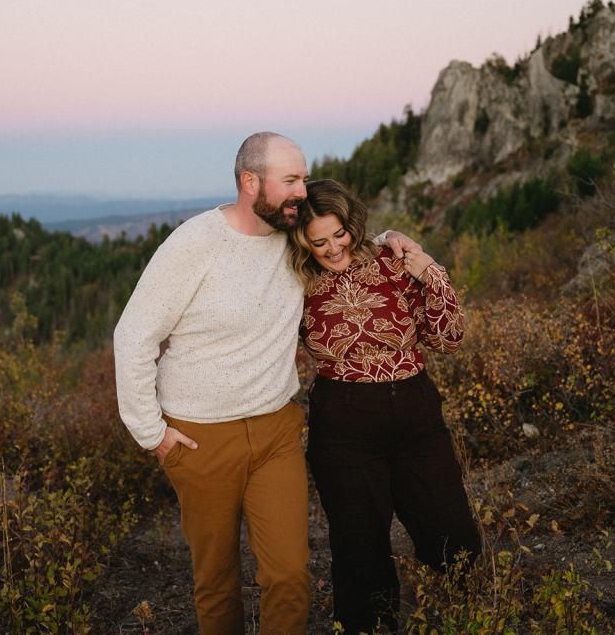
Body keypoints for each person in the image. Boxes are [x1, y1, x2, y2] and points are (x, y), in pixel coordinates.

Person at [114, 133, 414, 634]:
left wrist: (390, 240)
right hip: (199, 436)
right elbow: (133, 335)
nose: (302, 190)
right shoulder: (194, 243)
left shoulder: (292, 238)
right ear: (250, 182)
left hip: (276, 431)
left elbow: (338, 246)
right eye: (291, 180)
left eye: (303, 177)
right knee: (216, 580)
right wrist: (151, 433)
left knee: (290, 574)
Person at [289, 179, 481, 634]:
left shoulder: (393, 263)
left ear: (352, 225)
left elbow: (448, 340)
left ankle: (471, 618)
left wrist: (431, 271)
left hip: (414, 411)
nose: (333, 249)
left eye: (340, 235)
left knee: (451, 532)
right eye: (319, 242)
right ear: (302, 243)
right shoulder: (296, 283)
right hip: (344, 424)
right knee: (360, 550)